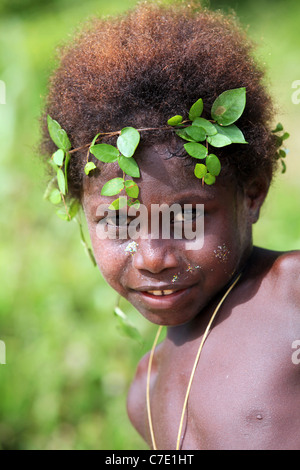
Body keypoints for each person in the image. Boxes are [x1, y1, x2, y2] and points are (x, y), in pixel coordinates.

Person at [41, 0, 300, 450]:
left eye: (185, 217)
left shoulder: (292, 296)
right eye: (118, 221)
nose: (154, 257)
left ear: (252, 194)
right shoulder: (144, 390)